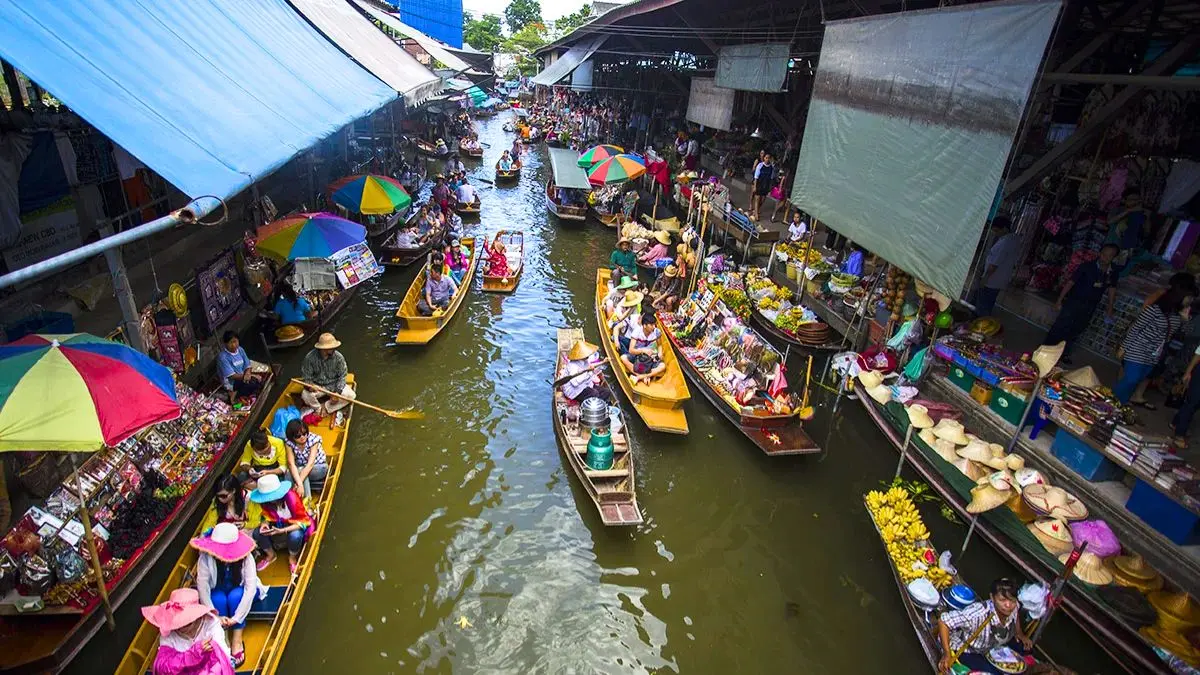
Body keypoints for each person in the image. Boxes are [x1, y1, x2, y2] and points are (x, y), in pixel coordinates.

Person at [191, 523, 262, 667]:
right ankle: (223, 637)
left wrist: (237, 618)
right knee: (218, 598)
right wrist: (215, 616)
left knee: (235, 596)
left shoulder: (246, 558)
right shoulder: (206, 558)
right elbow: (203, 587)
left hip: (240, 592)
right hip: (219, 592)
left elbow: (250, 588)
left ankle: (237, 639)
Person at [936, 578, 1032, 674]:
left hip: (991, 645)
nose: (1008, 605)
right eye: (1002, 600)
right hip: (968, 649)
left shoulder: (1014, 606)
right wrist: (946, 654)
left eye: (1012, 600)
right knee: (994, 672)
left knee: (1026, 650)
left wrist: (1020, 633)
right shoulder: (978, 613)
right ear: (992, 597)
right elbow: (944, 622)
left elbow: (1016, 615)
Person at [1043, 243, 1120, 362]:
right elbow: (1071, 282)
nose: (1105, 257)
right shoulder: (1087, 267)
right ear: (1100, 253)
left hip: (1090, 305)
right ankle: (1046, 349)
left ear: (1114, 257)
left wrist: (1110, 306)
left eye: (1109, 256)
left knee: (1076, 329)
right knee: (1061, 326)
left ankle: (1063, 353)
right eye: (1104, 254)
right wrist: (1059, 300)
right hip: (1075, 301)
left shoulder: (1112, 272)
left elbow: (1112, 289)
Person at [1115, 286, 1192, 404]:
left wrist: (1185, 320)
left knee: (1137, 379)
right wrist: (1123, 347)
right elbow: (1136, 328)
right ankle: (1112, 401)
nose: (1190, 302)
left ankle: (1120, 403)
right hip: (1138, 347)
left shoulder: (1178, 316)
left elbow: (1185, 334)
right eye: (1188, 299)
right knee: (1132, 378)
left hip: (1154, 353)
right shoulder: (1155, 309)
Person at [141, 588, 234, 675]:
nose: (181, 626)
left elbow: (222, 659)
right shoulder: (169, 632)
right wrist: (190, 655)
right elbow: (161, 667)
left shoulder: (210, 623)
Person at [248, 475, 313, 574]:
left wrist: (282, 530)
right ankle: (271, 555)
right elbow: (265, 517)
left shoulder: (291, 498)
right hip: (277, 525)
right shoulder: (265, 503)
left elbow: (304, 522)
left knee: (296, 535)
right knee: (257, 533)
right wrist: (264, 524)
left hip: (294, 525)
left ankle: (292, 558)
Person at [299, 332, 356, 416]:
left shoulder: (338, 357)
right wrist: (310, 386)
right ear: (324, 349)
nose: (334, 349)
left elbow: (342, 375)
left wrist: (337, 392)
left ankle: (326, 407)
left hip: (334, 384)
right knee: (305, 395)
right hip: (318, 386)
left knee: (351, 396)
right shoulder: (309, 358)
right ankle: (318, 408)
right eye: (331, 348)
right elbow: (306, 378)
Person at [974, 216, 1020, 317]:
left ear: (1004, 229)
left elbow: (994, 265)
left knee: (983, 307)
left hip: (991, 281)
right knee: (987, 304)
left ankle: (979, 325)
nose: (995, 233)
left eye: (996, 230)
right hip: (998, 280)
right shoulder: (1013, 240)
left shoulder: (1005, 242)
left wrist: (984, 279)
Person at [616, 311, 666, 385]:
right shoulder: (637, 332)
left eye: (654, 324)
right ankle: (639, 375)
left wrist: (660, 353)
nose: (654, 327)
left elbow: (659, 345)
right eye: (651, 325)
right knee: (623, 358)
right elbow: (631, 350)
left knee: (662, 366)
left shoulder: (657, 332)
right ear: (644, 325)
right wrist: (643, 350)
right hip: (637, 355)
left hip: (649, 357)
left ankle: (641, 376)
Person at [284, 419, 328, 500]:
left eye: (304, 433)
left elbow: (310, 464)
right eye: (298, 436)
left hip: (319, 467)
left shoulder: (313, 439)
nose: (302, 437)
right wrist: (299, 483)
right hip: (302, 467)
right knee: (288, 472)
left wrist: (299, 484)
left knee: (301, 471)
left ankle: (308, 504)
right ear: (292, 437)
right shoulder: (289, 442)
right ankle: (290, 500)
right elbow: (291, 463)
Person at [216, 331, 263, 399]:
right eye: (230, 343)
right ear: (225, 344)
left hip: (243, 377)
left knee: (258, 382)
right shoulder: (222, 357)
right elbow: (232, 376)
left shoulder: (240, 349)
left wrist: (248, 373)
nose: (234, 345)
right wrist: (251, 376)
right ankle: (234, 394)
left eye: (235, 341)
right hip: (231, 382)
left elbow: (247, 365)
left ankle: (243, 392)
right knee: (252, 384)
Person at [750, 153, 775, 221]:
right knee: (757, 199)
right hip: (759, 183)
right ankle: (756, 214)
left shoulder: (771, 167)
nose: (767, 159)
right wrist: (755, 186)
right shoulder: (760, 165)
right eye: (766, 158)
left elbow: (771, 178)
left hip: (766, 184)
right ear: (764, 158)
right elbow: (756, 177)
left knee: (763, 199)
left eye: (768, 158)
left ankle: (756, 210)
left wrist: (770, 187)